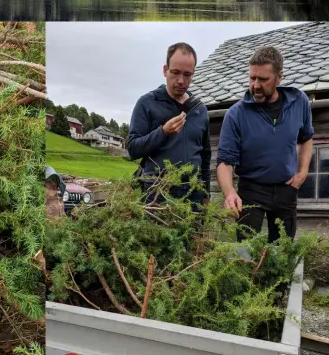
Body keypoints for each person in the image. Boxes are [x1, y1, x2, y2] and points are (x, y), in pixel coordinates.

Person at [216, 45, 314, 242]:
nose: (256, 85)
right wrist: (229, 192)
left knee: (284, 250)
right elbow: (225, 161)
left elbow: (306, 138)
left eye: (263, 79)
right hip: (251, 191)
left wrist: (302, 173)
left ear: (279, 78)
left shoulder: (299, 102)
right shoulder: (236, 114)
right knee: (246, 251)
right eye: (252, 78)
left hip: (287, 188)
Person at [126, 42, 211, 206]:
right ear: (165, 70)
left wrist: (206, 195)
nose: (181, 80)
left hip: (193, 194)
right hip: (157, 192)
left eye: (187, 75)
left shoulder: (200, 110)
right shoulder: (147, 103)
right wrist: (163, 132)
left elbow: (205, 157)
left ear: (193, 73)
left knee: (194, 233)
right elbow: (133, 148)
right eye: (175, 72)